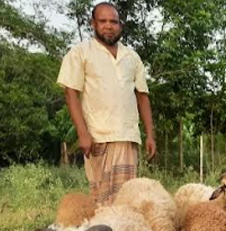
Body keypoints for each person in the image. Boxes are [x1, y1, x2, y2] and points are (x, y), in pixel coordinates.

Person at [57, 2, 156, 205]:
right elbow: (70, 93)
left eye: (113, 22)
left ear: (120, 25)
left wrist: (150, 135)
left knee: (127, 199)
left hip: (127, 136)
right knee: (101, 199)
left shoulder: (132, 57)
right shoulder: (80, 53)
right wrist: (83, 133)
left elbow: (142, 96)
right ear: (93, 23)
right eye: (103, 21)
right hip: (98, 137)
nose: (108, 26)